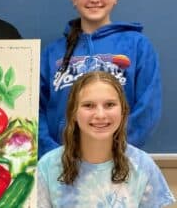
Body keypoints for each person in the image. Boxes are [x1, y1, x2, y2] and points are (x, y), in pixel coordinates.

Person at [39, 0, 161, 158]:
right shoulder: (51, 53)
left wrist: (111, 152)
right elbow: (37, 109)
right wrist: (53, 155)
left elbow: (147, 109)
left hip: (119, 163)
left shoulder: (138, 46)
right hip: (60, 165)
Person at [37, 71, 175, 207]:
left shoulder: (143, 166)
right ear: (73, 113)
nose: (100, 114)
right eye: (88, 105)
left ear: (123, 111)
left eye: (109, 105)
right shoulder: (47, 168)